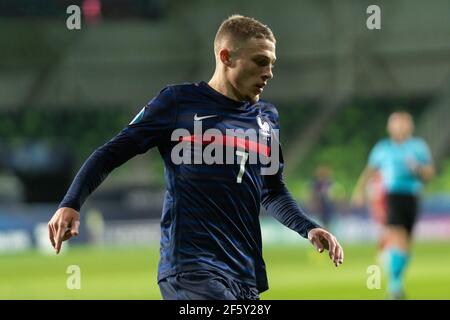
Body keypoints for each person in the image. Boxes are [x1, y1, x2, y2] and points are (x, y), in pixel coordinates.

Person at [48, 14, 344, 300]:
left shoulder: (267, 118)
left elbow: (272, 190)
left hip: (245, 273)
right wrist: (70, 203)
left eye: (272, 63)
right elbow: (111, 152)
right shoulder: (177, 103)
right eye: (260, 61)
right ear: (226, 57)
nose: (269, 72)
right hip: (191, 268)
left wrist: (308, 226)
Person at [352, 111, 434, 299]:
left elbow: (429, 173)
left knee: (406, 242)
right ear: (390, 127)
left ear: (410, 126)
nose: (400, 127)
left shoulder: (418, 147)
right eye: (396, 123)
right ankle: (395, 285)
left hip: (412, 196)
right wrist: (359, 191)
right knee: (397, 235)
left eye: (404, 123)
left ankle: (396, 277)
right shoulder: (383, 148)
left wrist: (419, 169)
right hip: (392, 195)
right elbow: (369, 171)